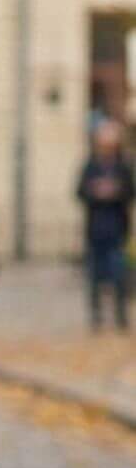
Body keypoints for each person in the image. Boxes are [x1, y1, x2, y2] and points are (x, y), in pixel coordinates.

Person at [76, 120, 132, 331]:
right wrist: (95, 192)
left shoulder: (123, 167)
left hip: (117, 228)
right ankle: (96, 315)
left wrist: (116, 191)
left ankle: (120, 315)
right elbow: (80, 191)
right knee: (94, 276)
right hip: (95, 229)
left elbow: (130, 191)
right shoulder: (91, 166)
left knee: (118, 274)